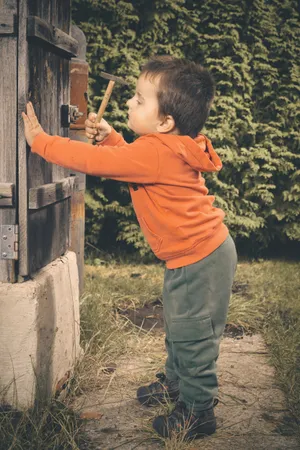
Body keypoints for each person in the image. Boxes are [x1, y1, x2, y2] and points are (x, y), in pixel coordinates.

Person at [22, 55, 237, 441]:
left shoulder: (155, 151)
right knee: (179, 324)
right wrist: (112, 136)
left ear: (164, 121)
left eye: (139, 100)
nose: (128, 104)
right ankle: (176, 384)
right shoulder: (163, 147)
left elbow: (93, 160)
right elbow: (132, 159)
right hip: (198, 252)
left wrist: (41, 142)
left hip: (200, 256)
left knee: (192, 334)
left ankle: (199, 411)